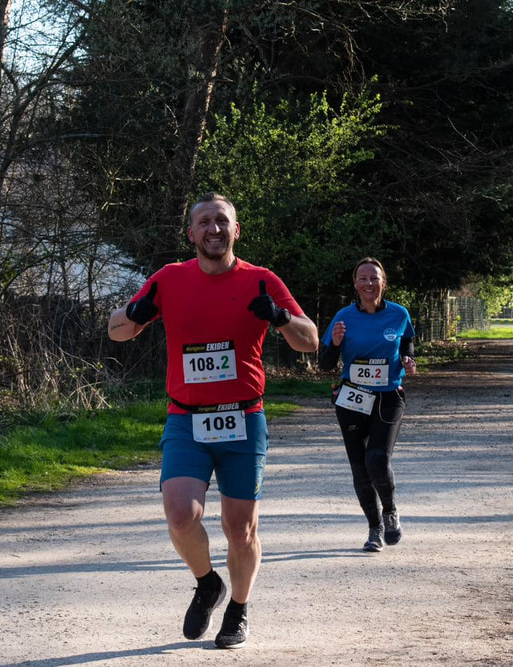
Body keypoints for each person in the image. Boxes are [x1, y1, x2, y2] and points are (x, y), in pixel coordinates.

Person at [108, 192, 318, 649]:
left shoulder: (261, 280)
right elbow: (115, 330)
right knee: (181, 514)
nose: (214, 229)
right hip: (186, 418)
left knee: (239, 528)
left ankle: (239, 609)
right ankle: (207, 583)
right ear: (191, 233)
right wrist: (136, 314)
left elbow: (310, 341)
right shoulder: (168, 279)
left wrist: (280, 317)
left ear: (236, 231)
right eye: (205, 222)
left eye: (222, 221)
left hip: (243, 418)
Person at [318, 257, 416, 552]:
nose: (369, 284)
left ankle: (389, 511)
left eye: (374, 278)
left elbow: (407, 346)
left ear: (383, 282)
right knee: (360, 470)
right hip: (352, 398)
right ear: (355, 284)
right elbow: (324, 365)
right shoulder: (343, 317)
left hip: (388, 397)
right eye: (363, 278)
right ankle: (374, 528)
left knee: (377, 459)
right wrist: (334, 343)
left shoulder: (399, 314)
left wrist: (409, 360)